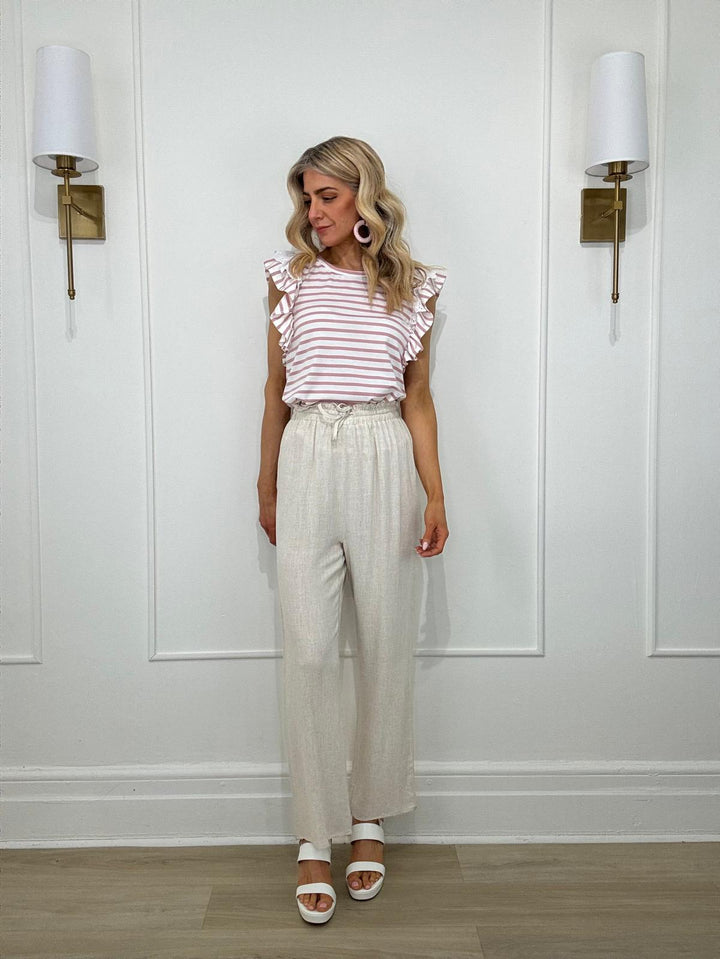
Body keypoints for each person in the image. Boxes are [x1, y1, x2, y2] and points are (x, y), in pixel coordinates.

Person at [257, 136, 448, 924]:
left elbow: (418, 399)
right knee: (308, 650)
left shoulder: (414, 286)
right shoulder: (289, 279)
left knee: (384, 642)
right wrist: (267, 482)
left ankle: (368, 817)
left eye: (327, 196)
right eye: (307, 198)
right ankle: (314, 831)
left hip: (382, 448)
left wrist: (435, 493)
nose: (314, 211)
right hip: (307, 448)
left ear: (363, 194)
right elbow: (274, 389)